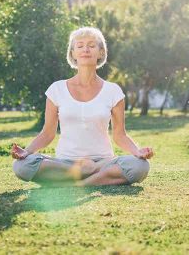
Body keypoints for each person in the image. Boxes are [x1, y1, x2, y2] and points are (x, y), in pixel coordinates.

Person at [12, 27, 153, 186]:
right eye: (80, 46)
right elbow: (47, 133)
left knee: (140, 166)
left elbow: (120, 135)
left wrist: (137, 152)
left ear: (101, 52)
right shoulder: (56, 89)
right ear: (72, 53)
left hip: (102, 163)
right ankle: (91, 176)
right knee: (21, 166)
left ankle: (78, 183)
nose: (85, 49)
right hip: (66, 163)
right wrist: (27, 151)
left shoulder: (113, 91)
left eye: (92, 45)